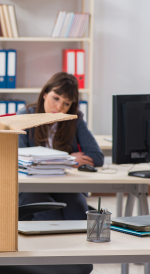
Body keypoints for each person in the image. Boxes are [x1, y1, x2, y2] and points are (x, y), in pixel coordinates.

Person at [17, 72, 104, 221]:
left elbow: (97, 157)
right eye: (55, 98)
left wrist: (70, 160)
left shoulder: (74, 120)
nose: (59, 107)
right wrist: (68, 159)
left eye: (66, 103)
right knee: (49, 214)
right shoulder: (24, 117)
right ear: (45, 94)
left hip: (64, 185)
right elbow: (18, 159)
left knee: (78, 213)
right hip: (32, 186)